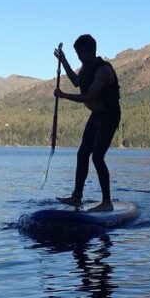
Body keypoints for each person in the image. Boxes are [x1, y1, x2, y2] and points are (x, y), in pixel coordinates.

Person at [53, 34, 121, 212]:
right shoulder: (86, 68)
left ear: (91, 51)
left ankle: (107, 202)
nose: (79, 58)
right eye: (76, 54)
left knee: (97, 156)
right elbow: (76, 82)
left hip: (110, 115)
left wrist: (62, 95)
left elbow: (87, 96)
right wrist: (64, 60)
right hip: (97, 115)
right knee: (82, 153)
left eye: (81, 54)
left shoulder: (103, 71)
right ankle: (77, 197)